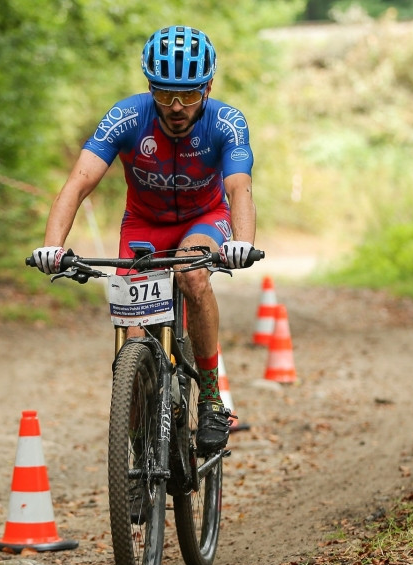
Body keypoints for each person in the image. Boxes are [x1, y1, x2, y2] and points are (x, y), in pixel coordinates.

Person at [32, 25, 257, 456]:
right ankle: (138, 453)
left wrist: (242, 242)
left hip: (204, 219)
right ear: (150, 88)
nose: (176, 107)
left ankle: (211, 399)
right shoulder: (128, 116)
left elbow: (239, 188)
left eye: (189, 95)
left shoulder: (226, 122)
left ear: (208, 88)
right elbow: (78, 183)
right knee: (132, 346)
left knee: (192, 277)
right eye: (165, 94)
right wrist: (52, 246)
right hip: (143, 225)